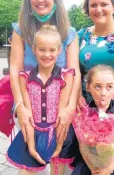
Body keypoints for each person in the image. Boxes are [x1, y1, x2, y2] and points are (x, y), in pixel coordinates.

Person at [9, 0, 81, 174]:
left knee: (61, 166)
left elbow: (74, 73)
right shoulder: (20, 31)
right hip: (30, 107)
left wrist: (70, 109)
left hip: (60, 109)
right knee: (30, 163)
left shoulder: (69, 33)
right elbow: (15, 69)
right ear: (29, 0)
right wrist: (20, 107)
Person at [7, 25, 75, 174]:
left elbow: (61, 113)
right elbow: (29, 117)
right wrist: (31, 146)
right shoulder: (25, 78)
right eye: (42, 49)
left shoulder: (66, 77)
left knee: (57, 171)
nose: (47, 54)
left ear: (59, 51)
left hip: (58, 133)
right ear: (34, 49)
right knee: (27, 170)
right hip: (33, 133)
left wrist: (58, 146)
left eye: (52, 50)